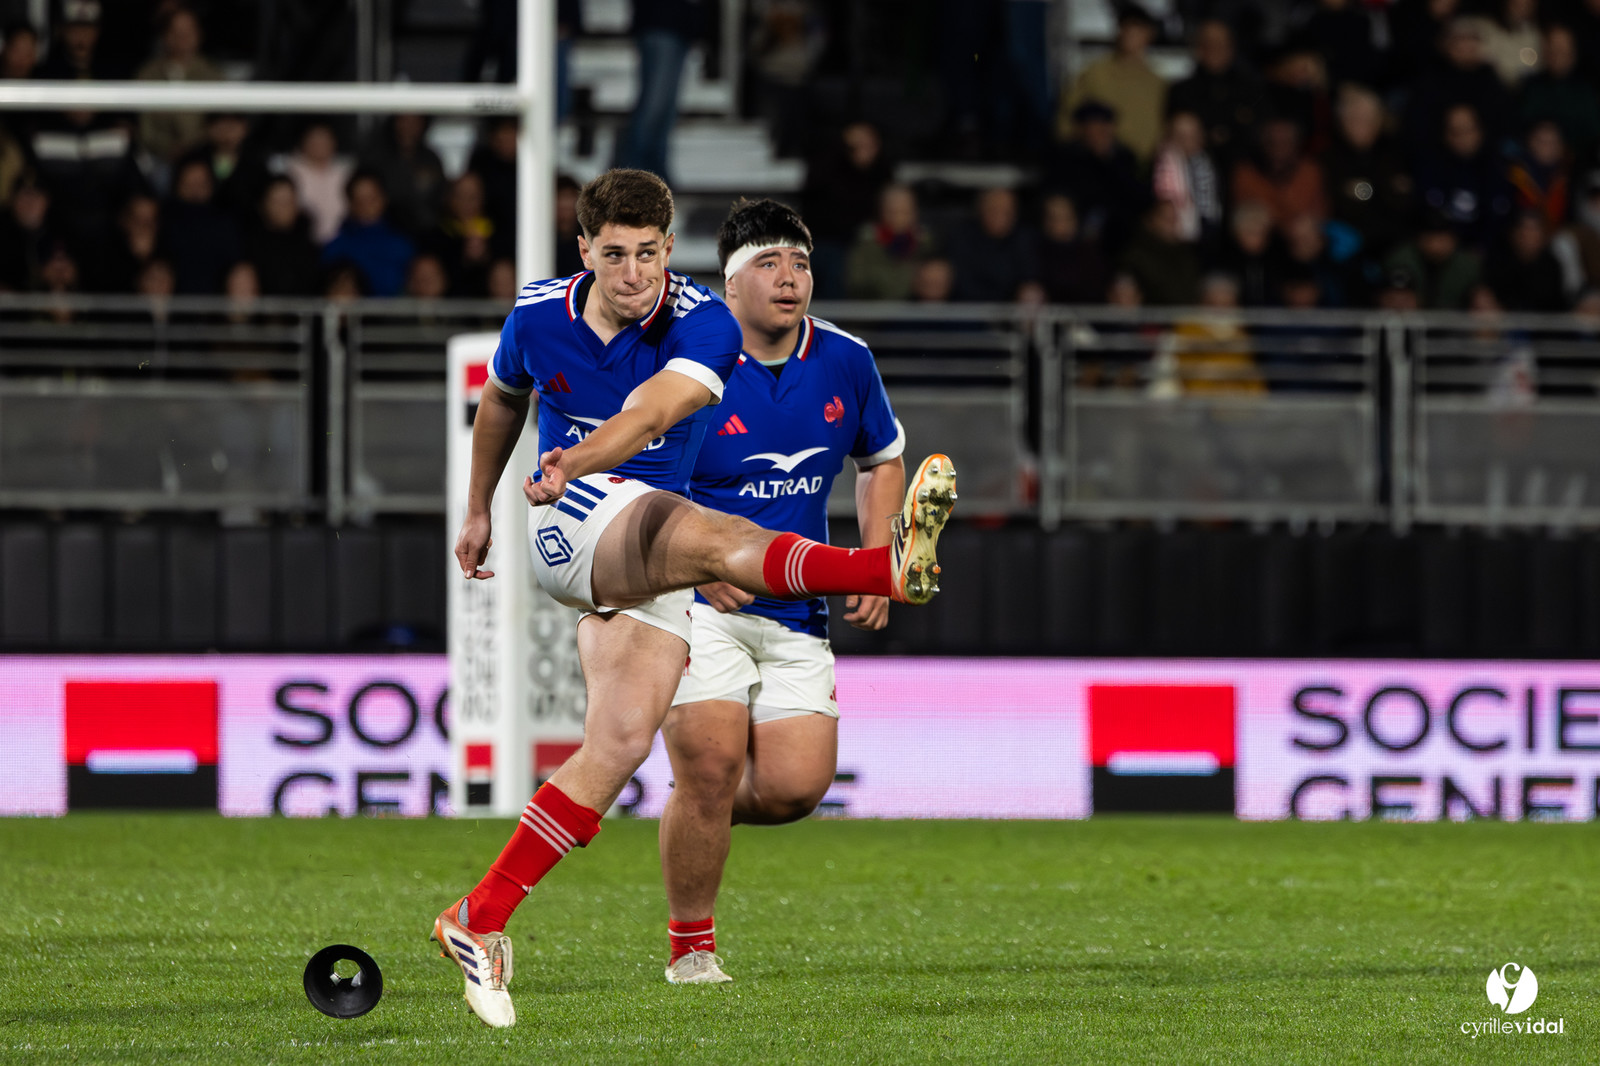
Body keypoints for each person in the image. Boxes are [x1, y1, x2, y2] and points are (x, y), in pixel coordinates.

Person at [433, 169, 956, 1028]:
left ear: (670, 250)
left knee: (617, 746)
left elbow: (653, 410)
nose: (633, 273)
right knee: (720, 537)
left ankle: (477, 919)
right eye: (614, 255)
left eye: (648, 254)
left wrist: (583, 452)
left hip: (624, 511)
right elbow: (501, 399)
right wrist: (477, 505)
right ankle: (881, 568)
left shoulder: (707, 324)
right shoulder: (534, 314)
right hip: (570, 515)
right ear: (584, 252)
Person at [656, 198, 906, 985]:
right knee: (711, 765)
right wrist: (697, 562)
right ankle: (691, 949)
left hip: (798, 603)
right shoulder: (686, 364)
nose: (790, 278)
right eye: (769, 264)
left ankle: (689, 817)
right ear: (730, 287)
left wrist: (874, 555)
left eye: (799, 263)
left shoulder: (846, 359)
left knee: (796, 789)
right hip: (699, 603)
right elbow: (638, 479)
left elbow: (884, 459)